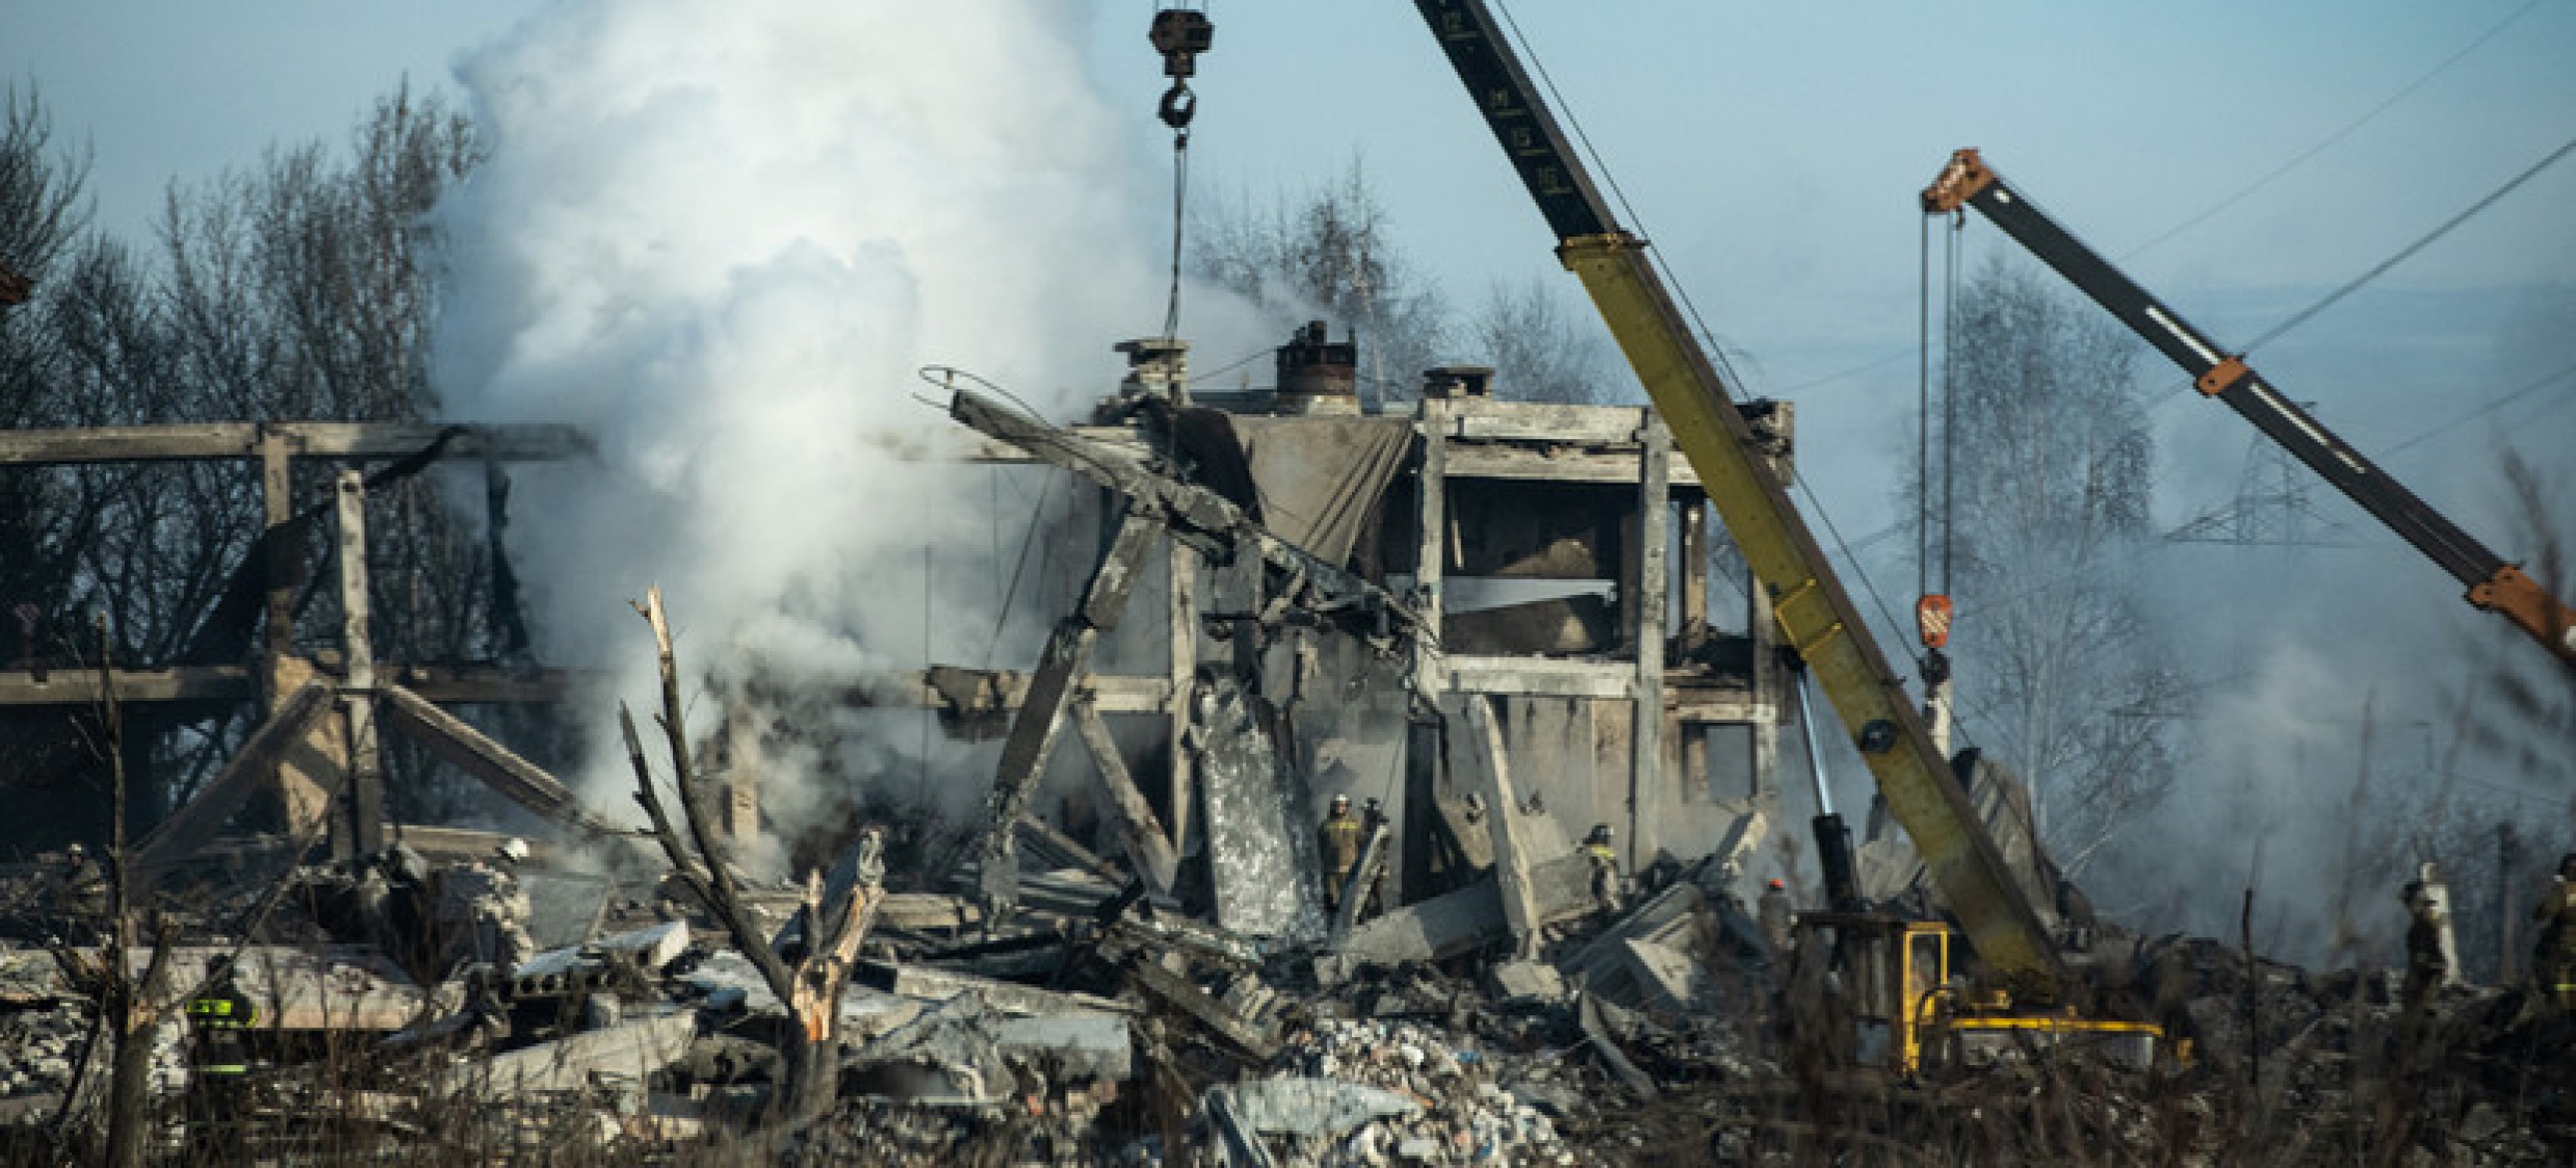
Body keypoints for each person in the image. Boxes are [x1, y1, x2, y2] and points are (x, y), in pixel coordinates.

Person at [2535, 853, 2576, 1010]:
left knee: (2557, 980)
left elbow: (2545, 911)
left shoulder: (2563, 890)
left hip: (2564, 944)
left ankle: (2561, 1014)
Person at [2400, 879, 2447, 1012]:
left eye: (2409, 903)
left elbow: (2423, 950)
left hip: (2428, 972)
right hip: (2429, 970)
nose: (2408, 907)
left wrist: (2418, 969)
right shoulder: (2423, 924)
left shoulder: (2423, 926)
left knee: (2420, 1010)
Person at [1317, 795, 1364, 913]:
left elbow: (1361, 842)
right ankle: (1332, 927)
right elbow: (1321, 845)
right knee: (1331, 901)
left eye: (1342, 805)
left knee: (1349, 902)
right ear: (1333, 806)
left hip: (1350, 870)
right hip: (1331, 871)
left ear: (1347, 806)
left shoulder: (1355, 823)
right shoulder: (1325, 825)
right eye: (1337, 805)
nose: (1339, 807)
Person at [1583, 825, 1621, 914]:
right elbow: (1612, 864)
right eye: (1607, 838)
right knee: (1608, 871)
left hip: (1597, 885)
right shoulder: (1594, 849)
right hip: (1596, 884)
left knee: (1608, 871)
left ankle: (1610, 905)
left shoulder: (1603, 849)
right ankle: (1611, 906)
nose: (1608, 841)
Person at [1758, 877, 1795, 958]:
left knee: (1767, 953)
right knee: (1779, 955)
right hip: (1781, 933)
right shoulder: (1785, 901)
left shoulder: (1763, 900)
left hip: (1765, 932)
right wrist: (1792, 927)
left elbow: (1761, 917)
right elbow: (1791, 917)